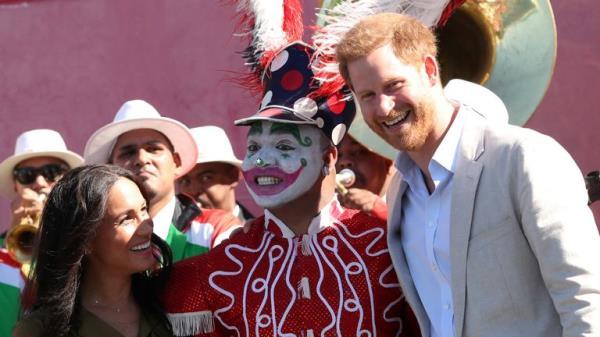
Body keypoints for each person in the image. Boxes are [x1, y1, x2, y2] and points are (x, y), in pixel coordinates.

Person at [336, 12, 600, 337]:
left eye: (393, 85)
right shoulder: (400, 191)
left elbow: (588, 303)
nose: (384, 108)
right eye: (368, 96)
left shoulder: (525, 158)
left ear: (430, 70)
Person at [160, 41, 420, 337]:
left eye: (284, 146)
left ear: (328, 157)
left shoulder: (387, 245)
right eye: (254, 146)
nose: (261, 159)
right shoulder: (219, 268)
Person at [13, 165, 172, 337]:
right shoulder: (39, 330)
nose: (146, 227)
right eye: (126, 219)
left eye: (144, 209)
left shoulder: (174, 303)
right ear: (85, 240)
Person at [84, 100, 240, 261]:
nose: (142, 159)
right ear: (111, 169)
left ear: (176, 162)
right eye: (128, 153)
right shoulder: (97, 242)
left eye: (153, 149)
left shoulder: (214, 229)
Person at [0, 129, 83, 337]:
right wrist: (12, 251)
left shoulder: (90, 241)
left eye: (52, 172)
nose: (39, 183)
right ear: (16, 187)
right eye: (27, 175)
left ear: (69, 181)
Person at [177, 126, 254, 222]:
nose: (193, 190)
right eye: (185, 181)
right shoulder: (169, 234)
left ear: (233, 176)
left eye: (206, 178)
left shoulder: (260, 234)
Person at [336, 134, 394, 220]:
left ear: (387, 160)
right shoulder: (324, 216)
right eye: (337, 155)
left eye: (358, 152)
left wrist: (380, 210)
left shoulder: (413, 201)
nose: (344, 161)